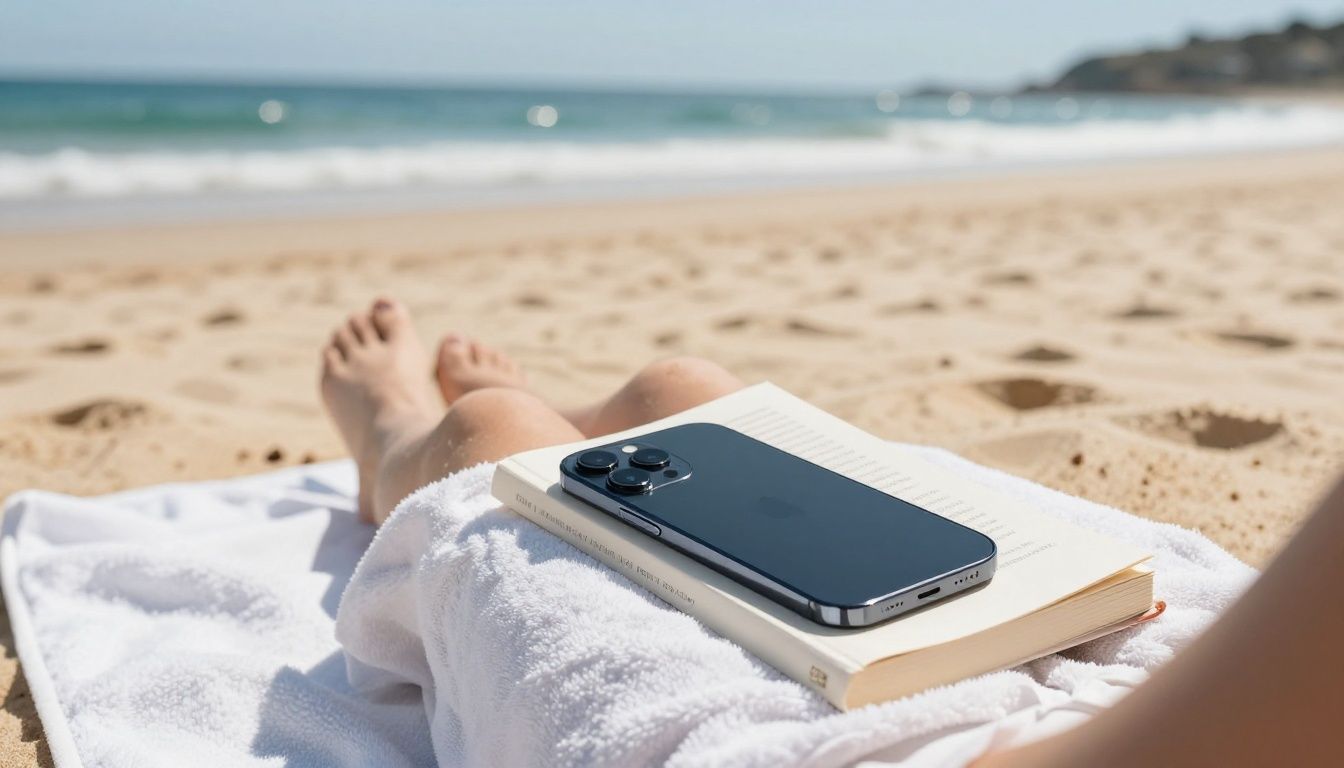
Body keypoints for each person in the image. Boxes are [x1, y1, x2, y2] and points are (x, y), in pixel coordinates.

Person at [321, 298, 1342, 767]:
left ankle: (394, 437)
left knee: (490, 441)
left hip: (833, 752)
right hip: (1200, 653)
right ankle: (571, 427)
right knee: (689, 401)